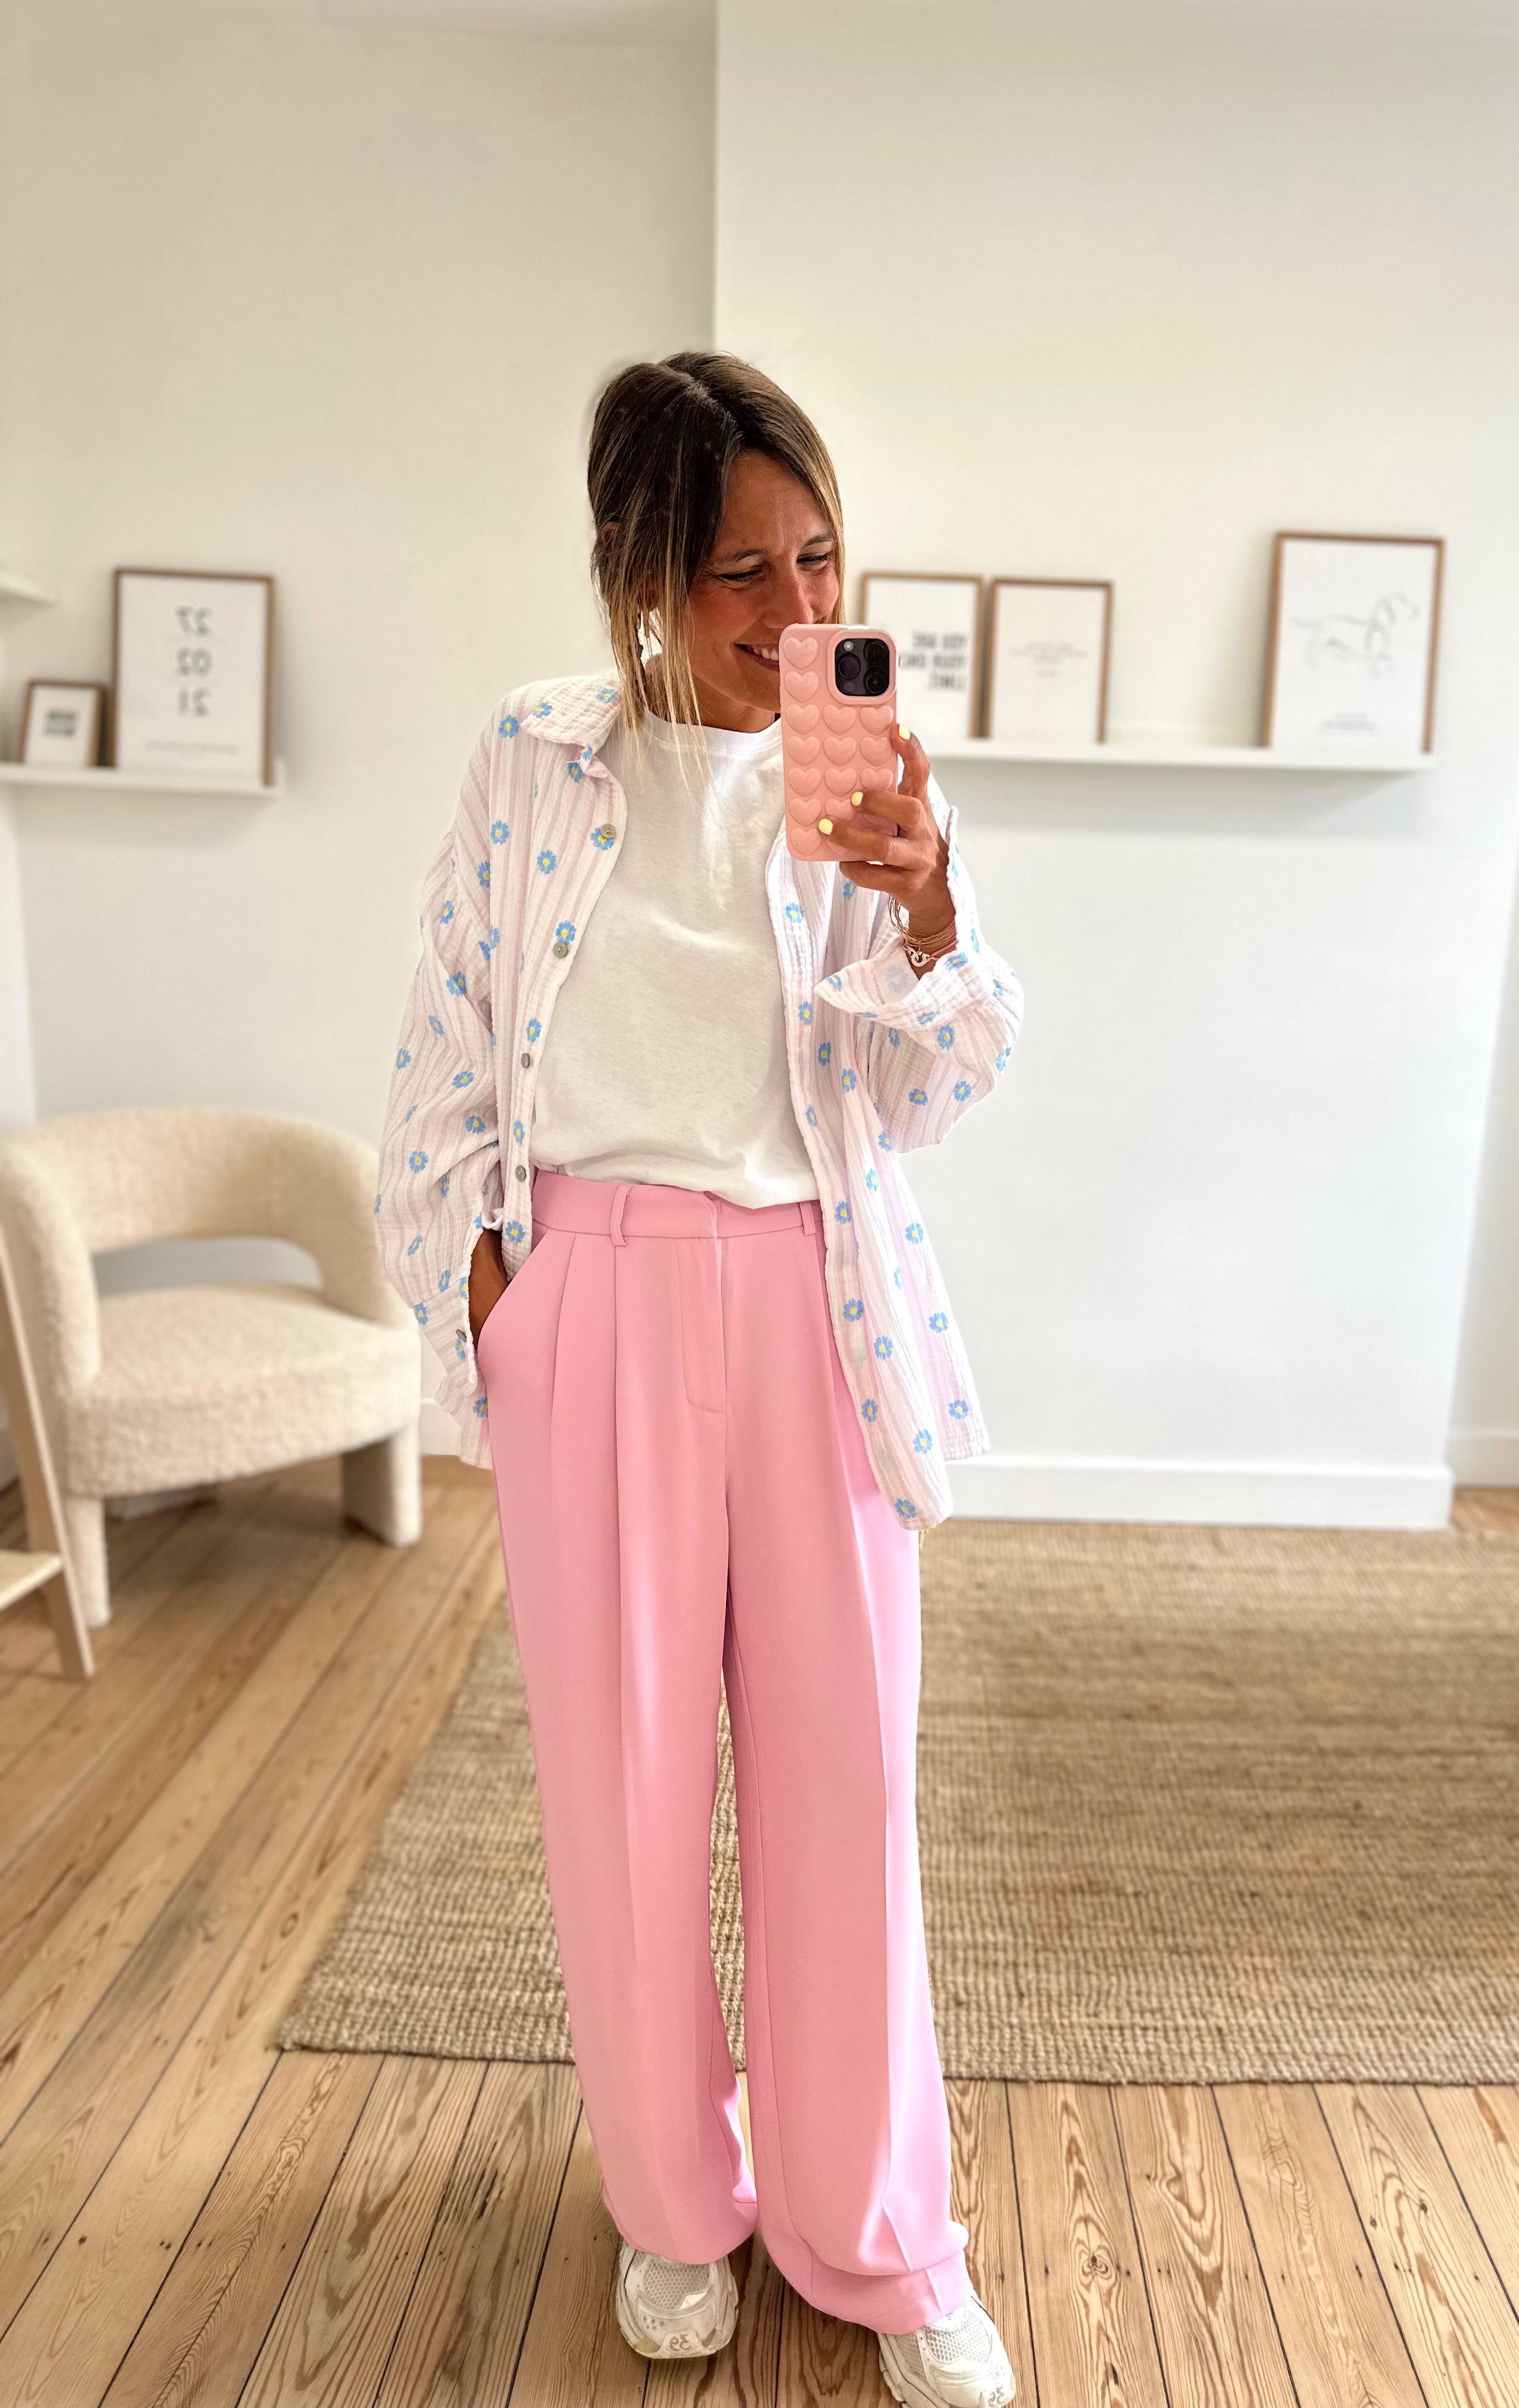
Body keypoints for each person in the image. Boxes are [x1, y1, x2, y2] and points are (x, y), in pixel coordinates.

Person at [374, 352, 1023, 2408]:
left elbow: (934, 1093)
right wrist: (489, 1291)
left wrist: (927, 914)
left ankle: (877, 2234)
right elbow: (440, 1052)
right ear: (640, 573)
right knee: (625, 1793)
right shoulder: (533, 758)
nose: (792, 608)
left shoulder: (859, 765)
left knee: (848, 1787)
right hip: (594, 1299)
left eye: (817, 557)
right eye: (742, 571)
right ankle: (675, 2207)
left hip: (815, 1301)